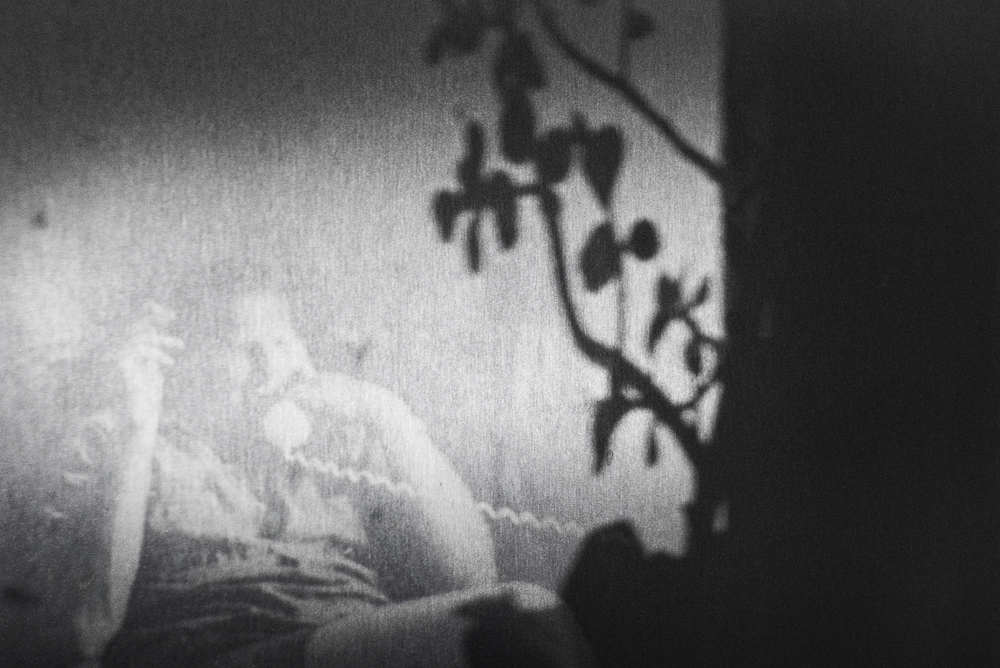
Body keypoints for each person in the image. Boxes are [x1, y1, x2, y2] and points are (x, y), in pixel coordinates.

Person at [67, 267, 595, 668]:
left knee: (542, 616)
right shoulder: (126, 440)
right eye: (244, 349)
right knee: (526, 626)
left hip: (342, 640)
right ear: (186, 358)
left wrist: (389, 417)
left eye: (281, 341)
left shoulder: (339, 449)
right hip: (218, 649)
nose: (270, 367)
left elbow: (470, 575)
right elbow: (87, 629)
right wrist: (140, 425)